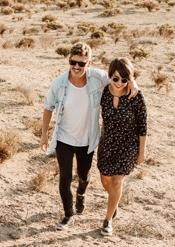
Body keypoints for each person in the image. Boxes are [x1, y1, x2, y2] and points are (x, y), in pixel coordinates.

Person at [40, 43, 137, 231]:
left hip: (87, 140)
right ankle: (68, 215)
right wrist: (44, 135)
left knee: (83, 176)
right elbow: (48, 106)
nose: (76, 67)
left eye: (81, 64)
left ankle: (81, 193)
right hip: (63, 139)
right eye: (73, 62)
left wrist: (132, 82)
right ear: (69, 60)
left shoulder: (97, 78)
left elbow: (118, 77)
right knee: (65, 178)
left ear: (89, 63)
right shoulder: (59, 83)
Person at [97, 57, 147, 236]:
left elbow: (143, 124)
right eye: (116, 78)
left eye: (124, 79)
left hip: (128, 144)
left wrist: (141, 151)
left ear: (130, 79)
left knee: (117, 180)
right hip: (107, 143)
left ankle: (108, 220)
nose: (119, 83)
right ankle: (114, 200)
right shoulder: (103, 91)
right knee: (105, 179)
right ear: (110, 76)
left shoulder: (135, 95)